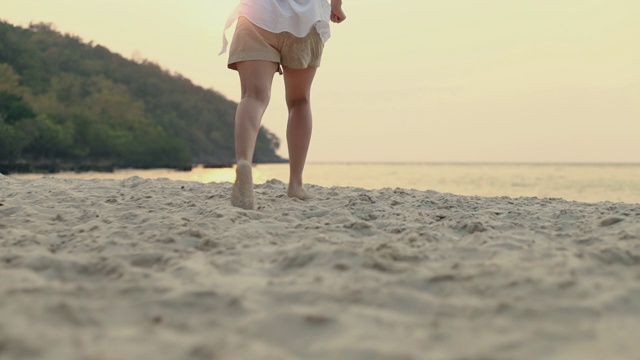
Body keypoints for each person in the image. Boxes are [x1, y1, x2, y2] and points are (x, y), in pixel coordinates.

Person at [220, 0, 346, 210]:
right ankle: (295, 184)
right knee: (299, 101)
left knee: (253, 96)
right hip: (305, 20)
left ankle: (244, 162)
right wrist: (336, 5)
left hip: (257, 15)